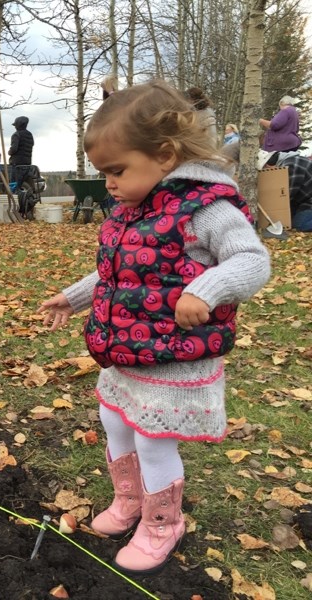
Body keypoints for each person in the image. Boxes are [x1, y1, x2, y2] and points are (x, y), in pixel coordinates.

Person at [37, 81, 271, 575]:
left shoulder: (206, 208)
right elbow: (115, 273)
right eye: (104, 173)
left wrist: (205, 290)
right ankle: (130, 500)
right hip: (129, 350)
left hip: (176, 356)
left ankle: (163, 521)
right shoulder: (132, 211)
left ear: (164, 155)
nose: (109, 184)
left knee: (152, 437)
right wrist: (74, 297)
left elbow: (252, 260)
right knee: (115, 421)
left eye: (116, 171)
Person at [258, 150, 312, 231]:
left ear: (267, 166)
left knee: (300, 224)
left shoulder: (291, 166)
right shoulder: (289, 162)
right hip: (304, 200)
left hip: (309, 201)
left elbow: (285, 197)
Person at [8, 116, 35, 215]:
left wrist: (9, 152)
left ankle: (16, 209)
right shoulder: (30, 135)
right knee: (25, 188)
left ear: (18, 125)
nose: (15, 127)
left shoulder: (16, 135)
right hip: (27, 165)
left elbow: (14, 149)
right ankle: (27, 207)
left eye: (15, 125)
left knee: (14, 187)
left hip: (17, 164)